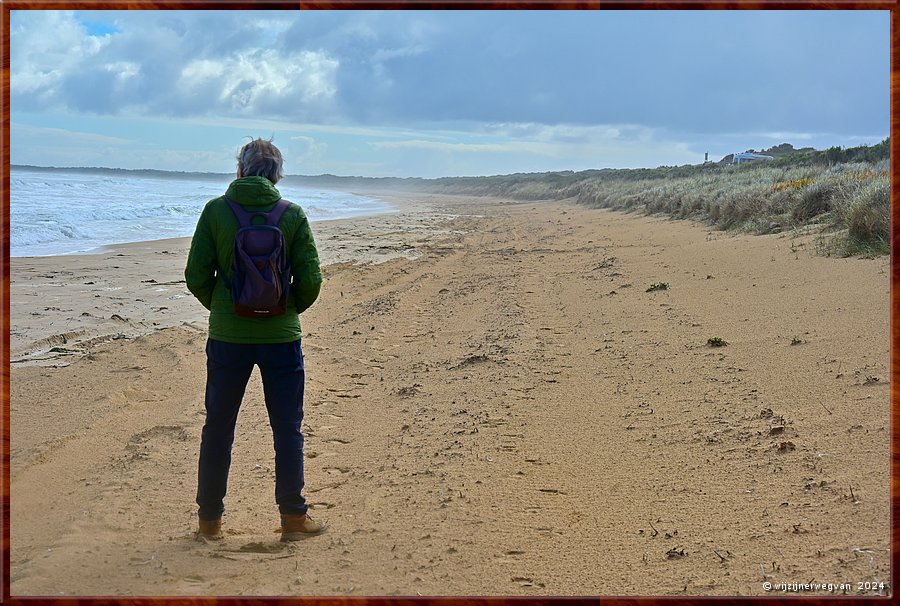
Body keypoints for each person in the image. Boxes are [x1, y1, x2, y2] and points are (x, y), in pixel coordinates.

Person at [184, 138, 325, 541]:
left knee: (218, 426)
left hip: (228, 337)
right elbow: (311, 280)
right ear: (277, 173)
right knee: (287, 427)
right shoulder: (292, 214)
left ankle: (209, 523)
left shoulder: (215, 211)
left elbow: (196, 275)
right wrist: (285, 309)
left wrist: (226, 307)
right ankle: (293, 520)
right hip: (282, 339)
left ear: (240, 170)